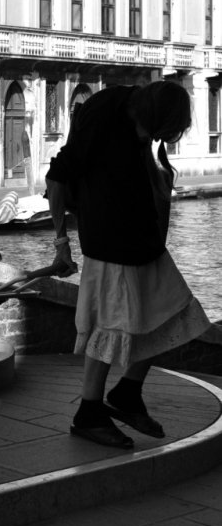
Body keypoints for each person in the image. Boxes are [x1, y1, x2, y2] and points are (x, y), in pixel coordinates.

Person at [46, 81, 211, 449]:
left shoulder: (143, 113)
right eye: (153, 134)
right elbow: (57, 177)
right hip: (110, 244)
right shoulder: (103, 114)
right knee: (111, 328)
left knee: (177, 316)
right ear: (146, 115)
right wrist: (62, 245)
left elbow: (141, 172)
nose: (150, 141)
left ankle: (127, 393)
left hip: (142, 242)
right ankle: (89, 412)